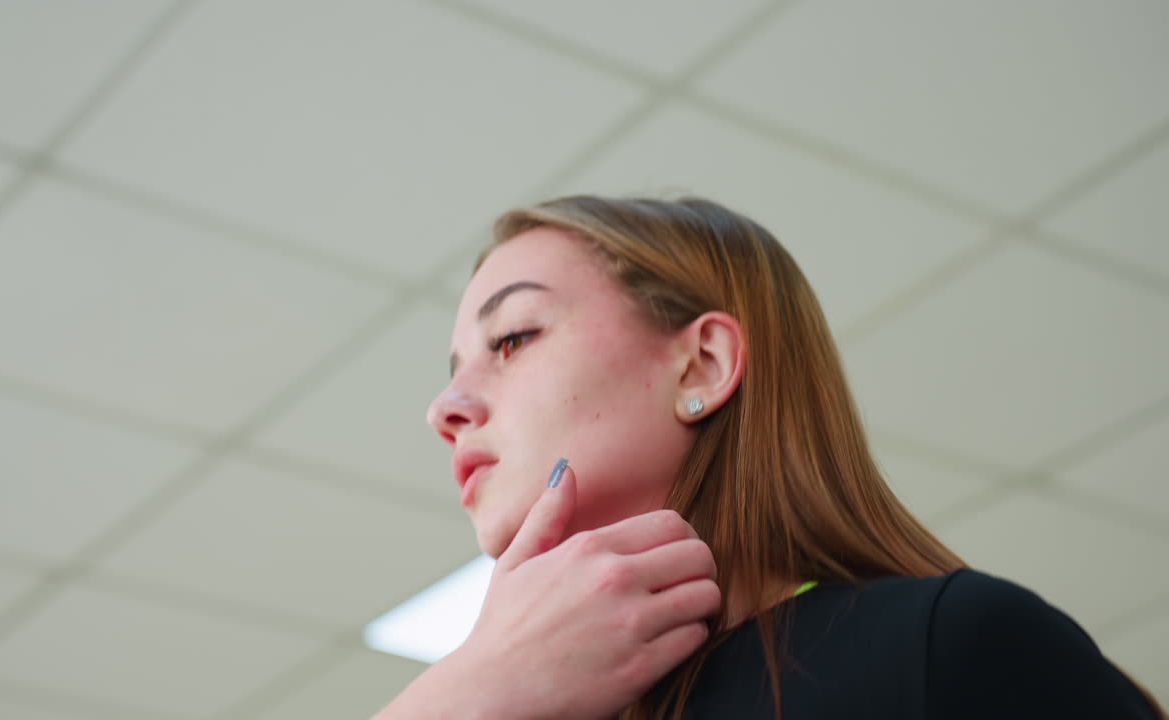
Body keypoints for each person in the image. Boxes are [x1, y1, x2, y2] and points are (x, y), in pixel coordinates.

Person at [373, 196, 1164, 719]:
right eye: (451, 372)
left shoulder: (947, 650)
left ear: (703, 366)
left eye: (513, 338)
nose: (445, 410)